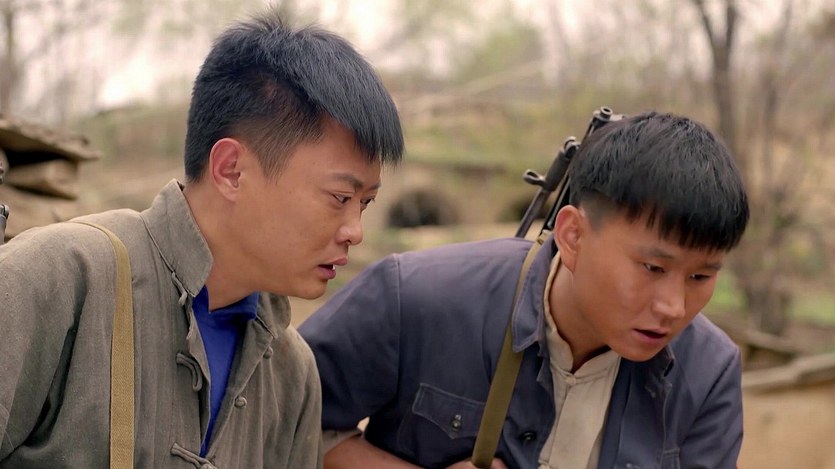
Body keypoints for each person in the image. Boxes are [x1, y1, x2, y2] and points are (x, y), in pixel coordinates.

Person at [0, 9, 403, 469]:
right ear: (231, 170)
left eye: (364, 203)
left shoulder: (292, 373)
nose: (355, 231)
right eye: (340, 197)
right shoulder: (57, 279)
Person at [299, 111, 749, 469]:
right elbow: (288, 420)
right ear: (573, 236)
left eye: (700, 277)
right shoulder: (416, 298)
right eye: (652, 267)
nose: (673, 307)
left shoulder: (709, 375)